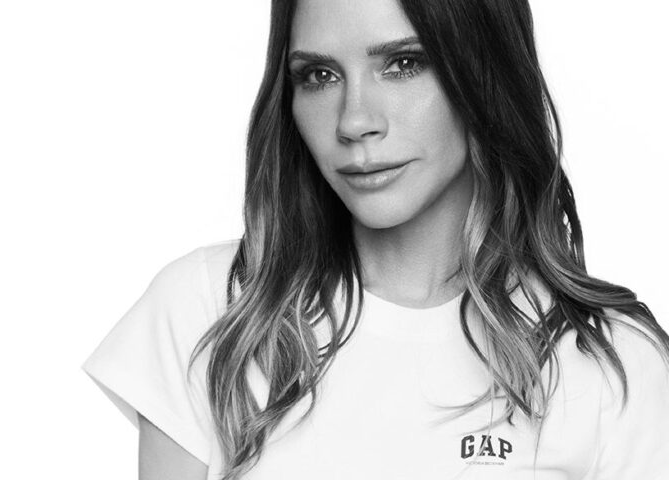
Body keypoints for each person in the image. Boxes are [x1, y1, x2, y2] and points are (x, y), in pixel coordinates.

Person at [82, 0, 669, 479]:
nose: (354, 121)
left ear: (484, 73)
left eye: (403, 64)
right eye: (319, 76)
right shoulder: (214, 311)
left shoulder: (612, 365)